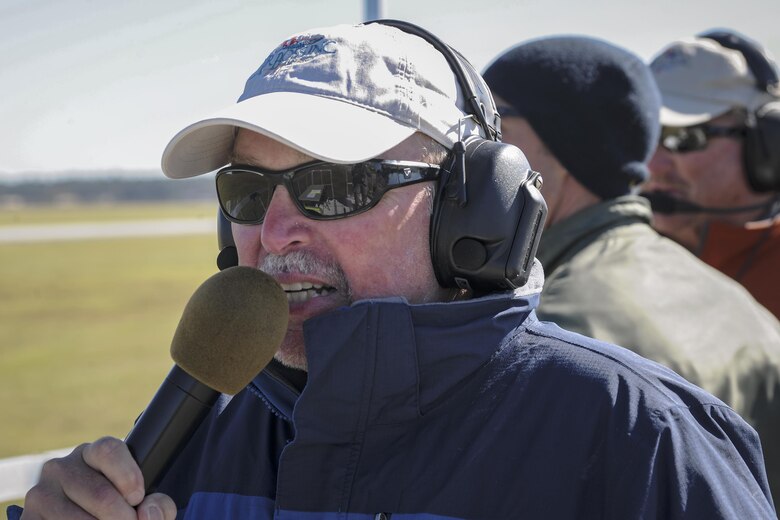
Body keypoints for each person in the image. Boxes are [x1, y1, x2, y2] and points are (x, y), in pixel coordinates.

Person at [13, 22, 777, 520]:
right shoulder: (187, 445)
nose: (275, 232)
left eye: (336, 184)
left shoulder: (640, 441)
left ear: (473, 211)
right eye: (248, 192)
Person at [483, 34, 780, 506]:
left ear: (563, 145)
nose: (474, 148)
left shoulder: (544, 330)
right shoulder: (747, 312)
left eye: (491, 122)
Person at [642, 29, 780, 319]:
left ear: (767, 145)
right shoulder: (604, 262)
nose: (652, 167)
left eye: (685, 137)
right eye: (644, 137)